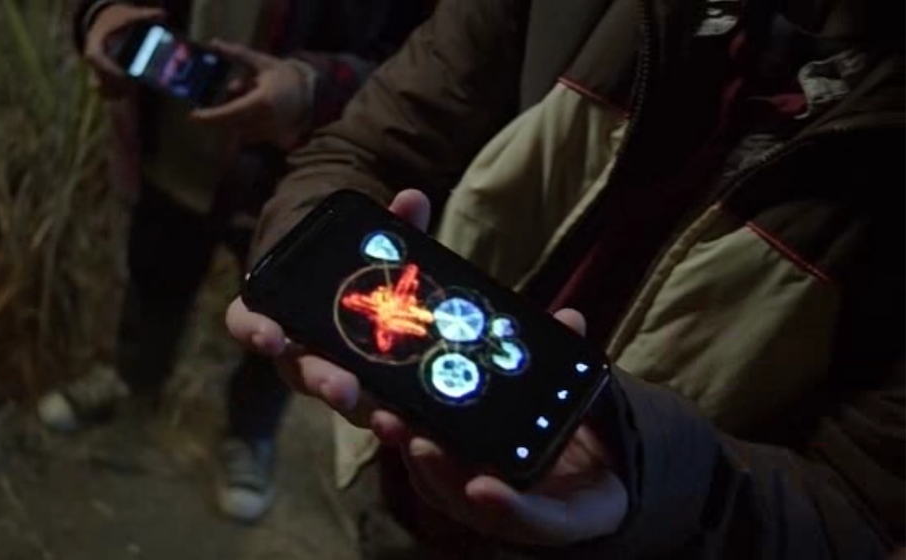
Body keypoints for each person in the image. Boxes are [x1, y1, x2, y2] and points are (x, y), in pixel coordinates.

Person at [227, 0, 904, 556]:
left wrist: (655, 480)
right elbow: (364, 148)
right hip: (404, 471)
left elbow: (859, 509)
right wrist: (300, 252)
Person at [37, 0, 431, 523]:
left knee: (281, 321)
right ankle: (132, 382)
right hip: (175, 150)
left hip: (294, 179)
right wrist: (101, 15)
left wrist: (314, 88)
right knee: (155, 275)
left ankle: (250, 433)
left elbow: (425, 66)